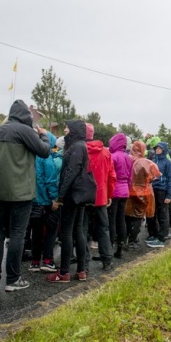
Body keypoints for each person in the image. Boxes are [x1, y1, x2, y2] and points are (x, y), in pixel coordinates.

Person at [0, 100, 51, 292]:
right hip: (21, 192)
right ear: (26, 117)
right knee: (17, 234)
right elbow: (44, 151)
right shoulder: (24, 131)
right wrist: (44, 136)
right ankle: (13, 279)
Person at [47, 120, 90, 283]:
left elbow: (71, 172)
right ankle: (81, 270)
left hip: (72, 195)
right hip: (79, 194)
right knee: (78, 230)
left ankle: (64, 272)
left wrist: (60, 197)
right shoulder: (81, 145)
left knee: (67, 231)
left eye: (67, 127)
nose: (65, 129)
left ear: (73, 130)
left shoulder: (76, 147)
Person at [84, 124, 116, 269]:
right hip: (101, 196)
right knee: (103, 228)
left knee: (82, 229)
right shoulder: (105, 152)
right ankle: (107, 259)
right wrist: (109, 194)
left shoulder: (81, 150)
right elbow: (111, 175)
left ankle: (83, 261)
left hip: (84, 197)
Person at [29, 132, 60, 273]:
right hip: (46, 201)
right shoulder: (46, 158)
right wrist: (54, 198)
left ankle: (34, 262)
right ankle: (47, 260)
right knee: (50, 231)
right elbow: (50, 180)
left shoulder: (31, 155)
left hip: (33, 200)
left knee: (36, 232)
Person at [126, 141, 160, 250]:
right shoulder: (147, 163)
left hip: (128, 191)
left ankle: (125, 238)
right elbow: (155, 176)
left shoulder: (127, 159)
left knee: (127, 215)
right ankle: (132, 240)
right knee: (138, 217)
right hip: (142, 192)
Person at [146, 142, 171, 248]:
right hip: (153, 190)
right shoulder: (153, 161)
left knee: (163, 214)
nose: (157, 150)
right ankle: (155, 234)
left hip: (163, 190)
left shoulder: (168, 163)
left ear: (164, 149)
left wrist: (169, 195)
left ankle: (162, 237)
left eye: (160, 148)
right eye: (156, 148)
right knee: (154, 213)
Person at [109, 133, 132, 257]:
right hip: (125, 191)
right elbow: (130, 178)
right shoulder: (128, 158)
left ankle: (110, 247)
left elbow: (110, 176)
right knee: (121, 219)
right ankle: (121, 247)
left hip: (115, 190)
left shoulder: (113, 157)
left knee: (111, 220)